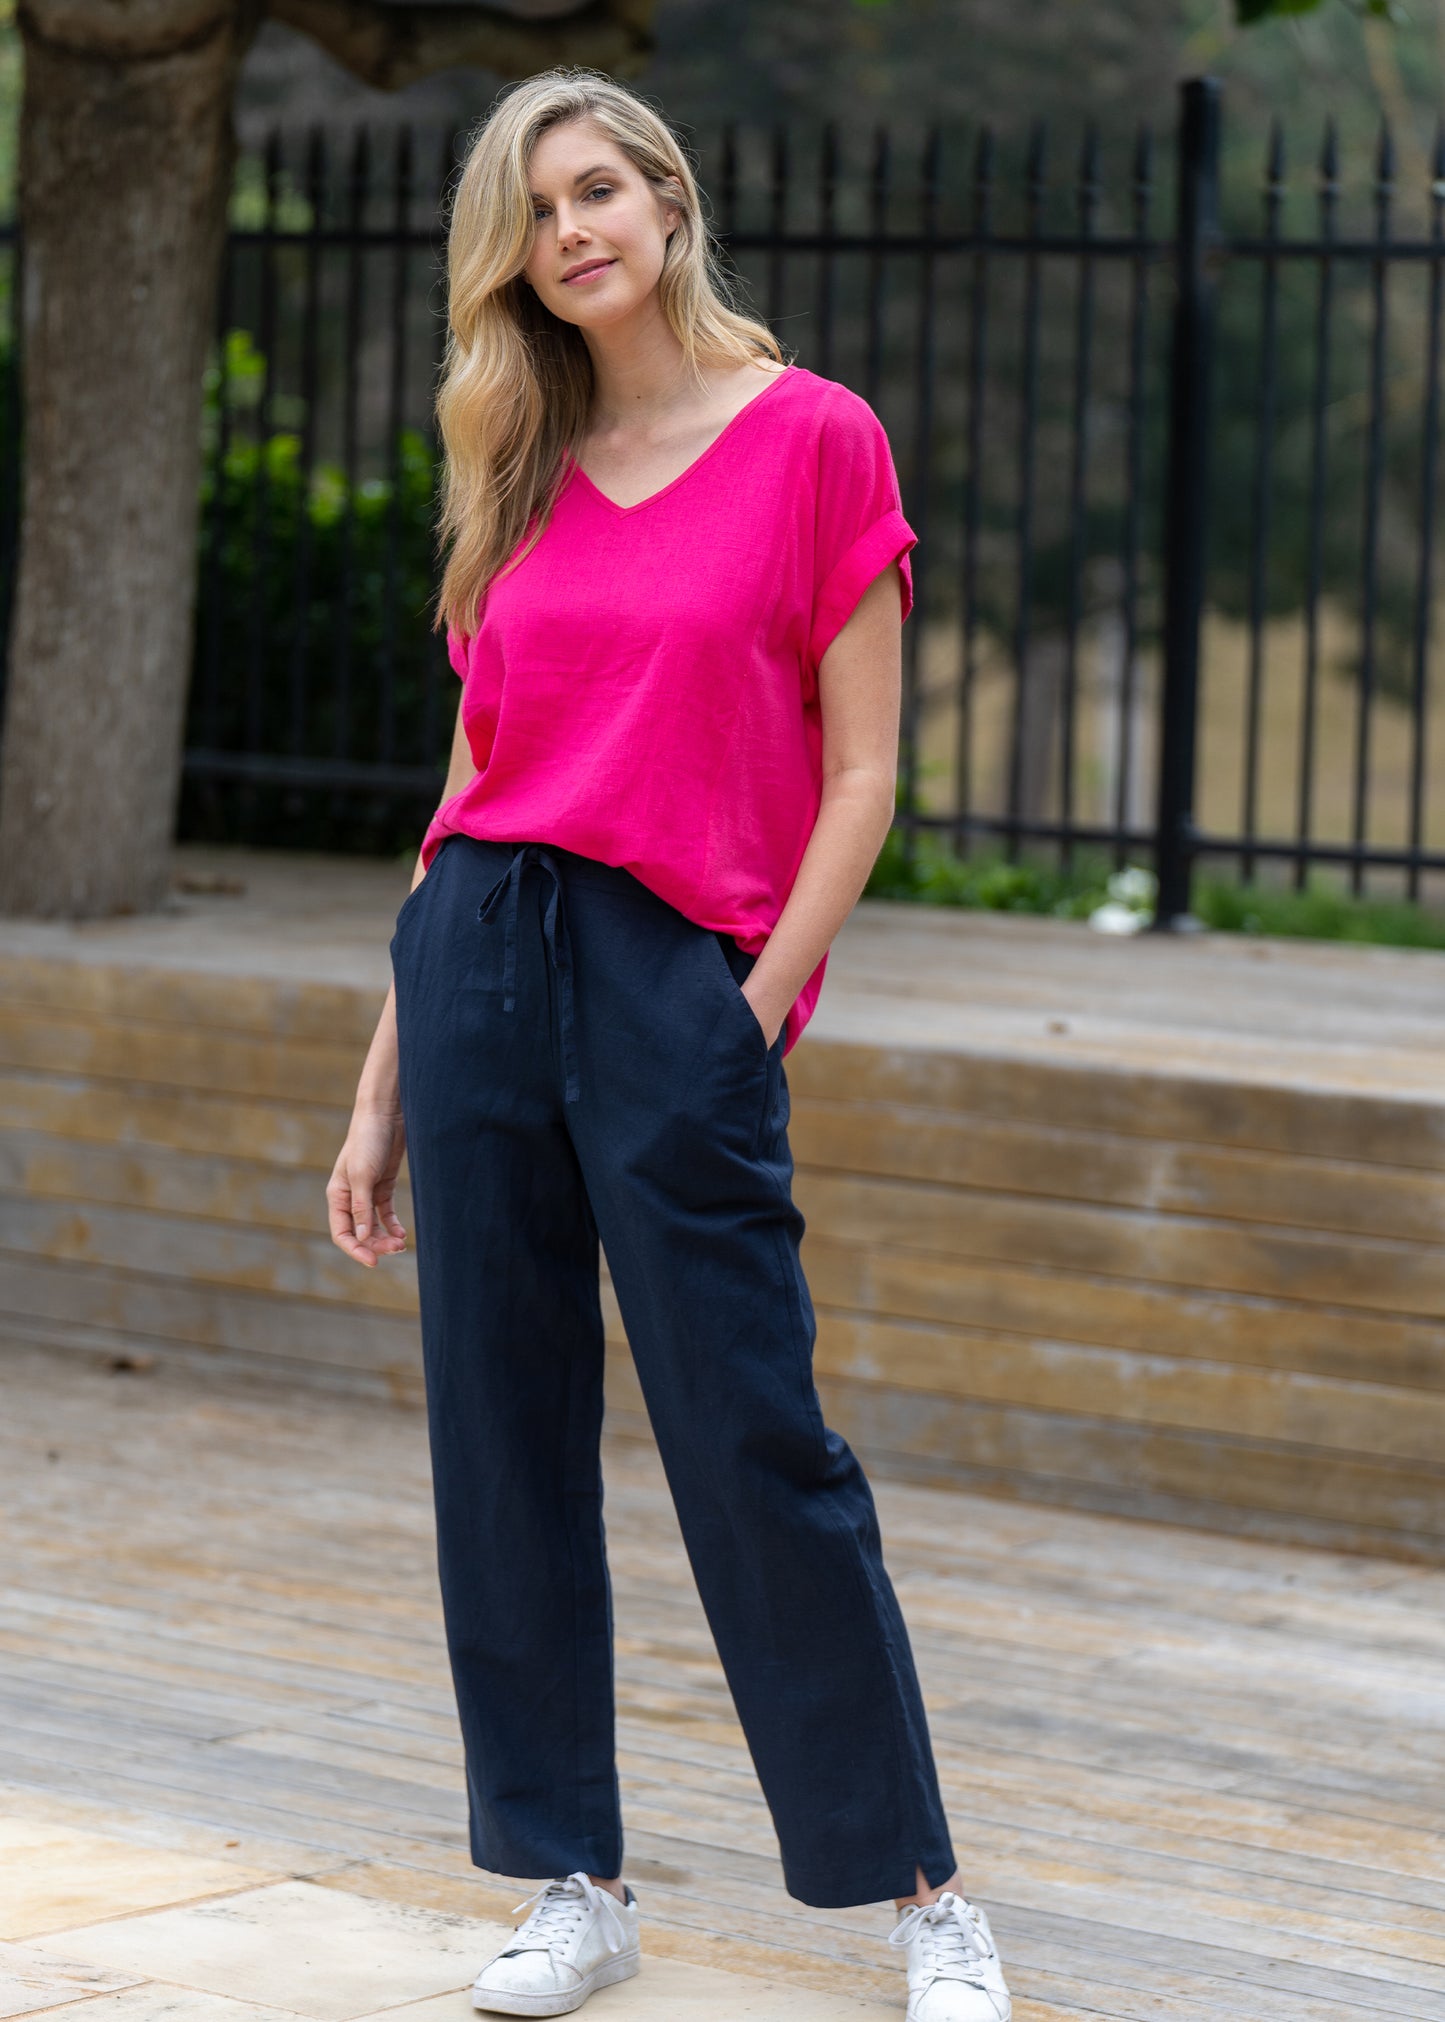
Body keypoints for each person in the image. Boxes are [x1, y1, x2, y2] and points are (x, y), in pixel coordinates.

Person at [326, 65, 1012, 2022]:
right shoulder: (515, 466)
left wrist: (750, 1008)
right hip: (479, 961)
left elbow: (861, 774)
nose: (571, 232)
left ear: (669, 201)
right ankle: (573, 1879)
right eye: (534, 213)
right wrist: (379, 1088)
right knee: (500, 1436)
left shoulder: (811, 438)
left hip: (674, 981)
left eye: (596, 189)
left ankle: (924, 1896)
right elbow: (465, 789)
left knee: (754, 1435)